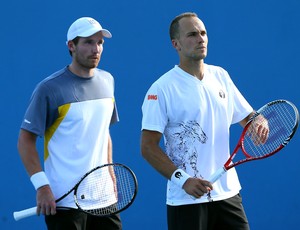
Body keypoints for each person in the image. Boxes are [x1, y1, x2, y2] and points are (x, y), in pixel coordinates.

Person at [141, 12, 268, 230]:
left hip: (228, 194)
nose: (201, 39)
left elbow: (248, 116)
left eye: (203, 33)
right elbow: (147, 147)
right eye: (192, 34)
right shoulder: (161, 89)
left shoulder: (221, 76)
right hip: (186, 200)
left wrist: (258, 122)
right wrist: (184, 180)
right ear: (176, 44)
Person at [17, 17, 122, 230]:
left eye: (100, 42)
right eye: (88, 42)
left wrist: (111, 175)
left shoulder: (108, 81)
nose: (96, 49)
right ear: (71, 46)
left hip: (104, 199)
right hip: (64, 202)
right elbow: (25, 141)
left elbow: (103, 134)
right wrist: (42, 187)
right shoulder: (49, 89)